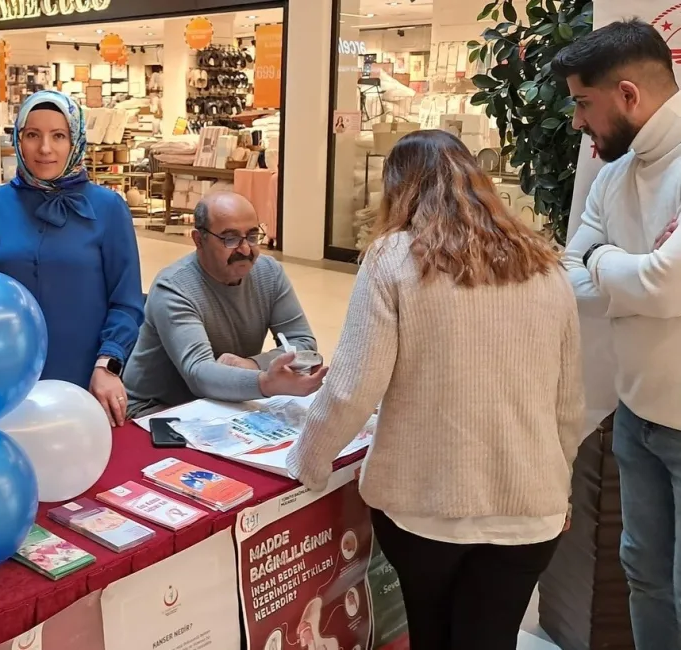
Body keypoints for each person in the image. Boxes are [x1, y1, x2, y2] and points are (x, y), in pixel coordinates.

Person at [286, 130, 584, 650]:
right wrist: (559, 488)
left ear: (398, 189)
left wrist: (306, 463)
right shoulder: (544, 265)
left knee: (430, 630)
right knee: (491, 638)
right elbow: (569, 403)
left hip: (424, 507)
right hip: (528, 510)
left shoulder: (393, 259)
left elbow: (352, 389)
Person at [555, 19, 681, 649]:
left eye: (583, 102)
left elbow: (667, 285)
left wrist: (608, 264)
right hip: (636, 415)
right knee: (644, 574)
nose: (577, 121)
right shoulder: (614, 175)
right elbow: (566, 276)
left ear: (628, 95)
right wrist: (633, 275)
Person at [0, 90, 144, 427]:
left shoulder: (108, 208)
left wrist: (108, 365)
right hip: (3, 375)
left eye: (58, 136)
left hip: (84, 374)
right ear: (18, 139)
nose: (45, 148)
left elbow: (127, 301)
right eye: (32, 135)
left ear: (75, 140)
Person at [122, 191, 323, 417]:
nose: (245, 250)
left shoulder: (269, 273)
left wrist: (254, 365)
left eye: (253, 236)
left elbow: (303, 342)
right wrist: (265, 382)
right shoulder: (174, 287)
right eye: (231, 239)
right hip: (156, 410)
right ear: (199, 240)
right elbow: (199, 373)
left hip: (223, 403)